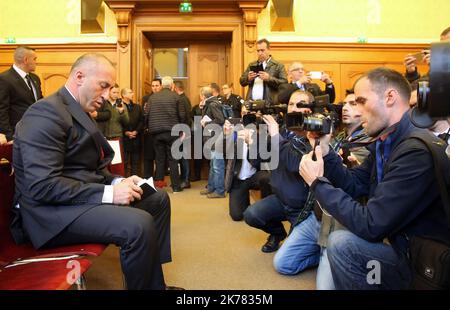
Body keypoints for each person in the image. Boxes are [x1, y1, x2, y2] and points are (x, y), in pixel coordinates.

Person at [12, 53, 177, 290]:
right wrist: (110, 194)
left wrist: (120, 181)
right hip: (50, 214)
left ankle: (151, 279)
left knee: (156, 198)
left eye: (110, 88)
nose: (108, 94)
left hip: (77, 200)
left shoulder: (78, 111)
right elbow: (43, 186)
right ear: (79, 76)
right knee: (137, 223)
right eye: (103, 86)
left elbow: (91, 170)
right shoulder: (45, 113)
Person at [299, 67, 450, 289]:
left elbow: (371, 224)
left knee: (342, 244)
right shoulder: (387, 139)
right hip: (399, 243)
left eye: (361, 101)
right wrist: (327, 151)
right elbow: (355, 184)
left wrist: (317, 183)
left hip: (421, 262)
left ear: (390, 97)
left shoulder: (415, 150)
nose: (357, 111)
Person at [273, 90, 370, 289]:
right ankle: (321, 255)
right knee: (283, 264)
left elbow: (352, 185)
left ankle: (335, 257)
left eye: (354, 103)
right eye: (345, 104)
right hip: (318, 216)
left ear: (365, 110)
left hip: (342, 224)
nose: (346, 108)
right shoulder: (335, 134)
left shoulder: (368, 142)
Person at [243, 90, 313, 253]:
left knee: (290, 257)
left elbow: (293, 164)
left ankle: (298, 237)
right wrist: (252, 142)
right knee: (251, 214)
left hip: (302, 206)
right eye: (291, 104)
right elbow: (256, 159)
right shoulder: (282, 130)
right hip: (280, 199)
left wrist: (274, 135)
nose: (294, 108)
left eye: (300, 104)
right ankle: (277, 233)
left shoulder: (312, 133)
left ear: (310, 108)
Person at [147, 76, 186, 192]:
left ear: (162, 85)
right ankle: (176, 187)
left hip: (156, 132)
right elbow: (182, 115)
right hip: (172, 132)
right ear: (172, 85)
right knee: (173, 159)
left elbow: (146, 114)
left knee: (159, 159)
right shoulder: (176, 97)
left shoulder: (152, 98)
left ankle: (159, 187)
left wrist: (147, 127)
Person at [0, 46, 43, 142]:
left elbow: (39, 102)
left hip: (36, 131)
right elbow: (2, 111)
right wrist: (9, 136)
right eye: (35, 59)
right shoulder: (4, 79)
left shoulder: (35, 78)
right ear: (26, 60)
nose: (37, 62)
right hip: (17, 134)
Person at [239, 38, 287, 104]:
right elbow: (241, 81)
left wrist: (269, 78)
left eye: (262, 50)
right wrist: (248, 78)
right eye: (258, 51)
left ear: (269, 49)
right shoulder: (252, 64)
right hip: (251, 104)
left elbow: (284, 84)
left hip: (269, 105)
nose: (260, 53)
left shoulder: (278, 65)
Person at [143, 78, 162, 179]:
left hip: (161, 131)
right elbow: (144, 114)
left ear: (161, 86)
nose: (154, 88)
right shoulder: (146, 98)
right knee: (148, 156)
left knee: (160, 156)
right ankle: (148, 178)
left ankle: (159, 178)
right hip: (149, 131)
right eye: (153, 86)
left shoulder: (164, 97)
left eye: (157, 85)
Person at [121, 88, 143, 176]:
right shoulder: (119, 106)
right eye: (130, 92)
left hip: (136, 138)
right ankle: (125, 181)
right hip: (124, 138)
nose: (132, 94)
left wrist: (136, 131)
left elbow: (142, 120)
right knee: (124, 162)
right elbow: (117, 122)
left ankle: (135, 181)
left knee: (135, 163)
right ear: (123, 95)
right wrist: (125, 132)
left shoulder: (137, 107)